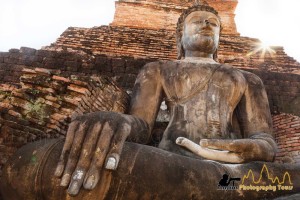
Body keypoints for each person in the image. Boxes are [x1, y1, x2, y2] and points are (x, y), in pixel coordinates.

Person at [54, 1, 277, 196]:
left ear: (220, 37)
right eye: (197, 21)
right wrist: (116, 121)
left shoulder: (249, 79)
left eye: (213, 23)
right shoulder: (158, 70)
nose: (206, 24)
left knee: (286, 177)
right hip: (169, 161)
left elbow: (265, 141)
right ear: (180, 35)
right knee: (41, 158)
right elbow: (142, 127)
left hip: (230, 167)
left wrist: (256, 148)